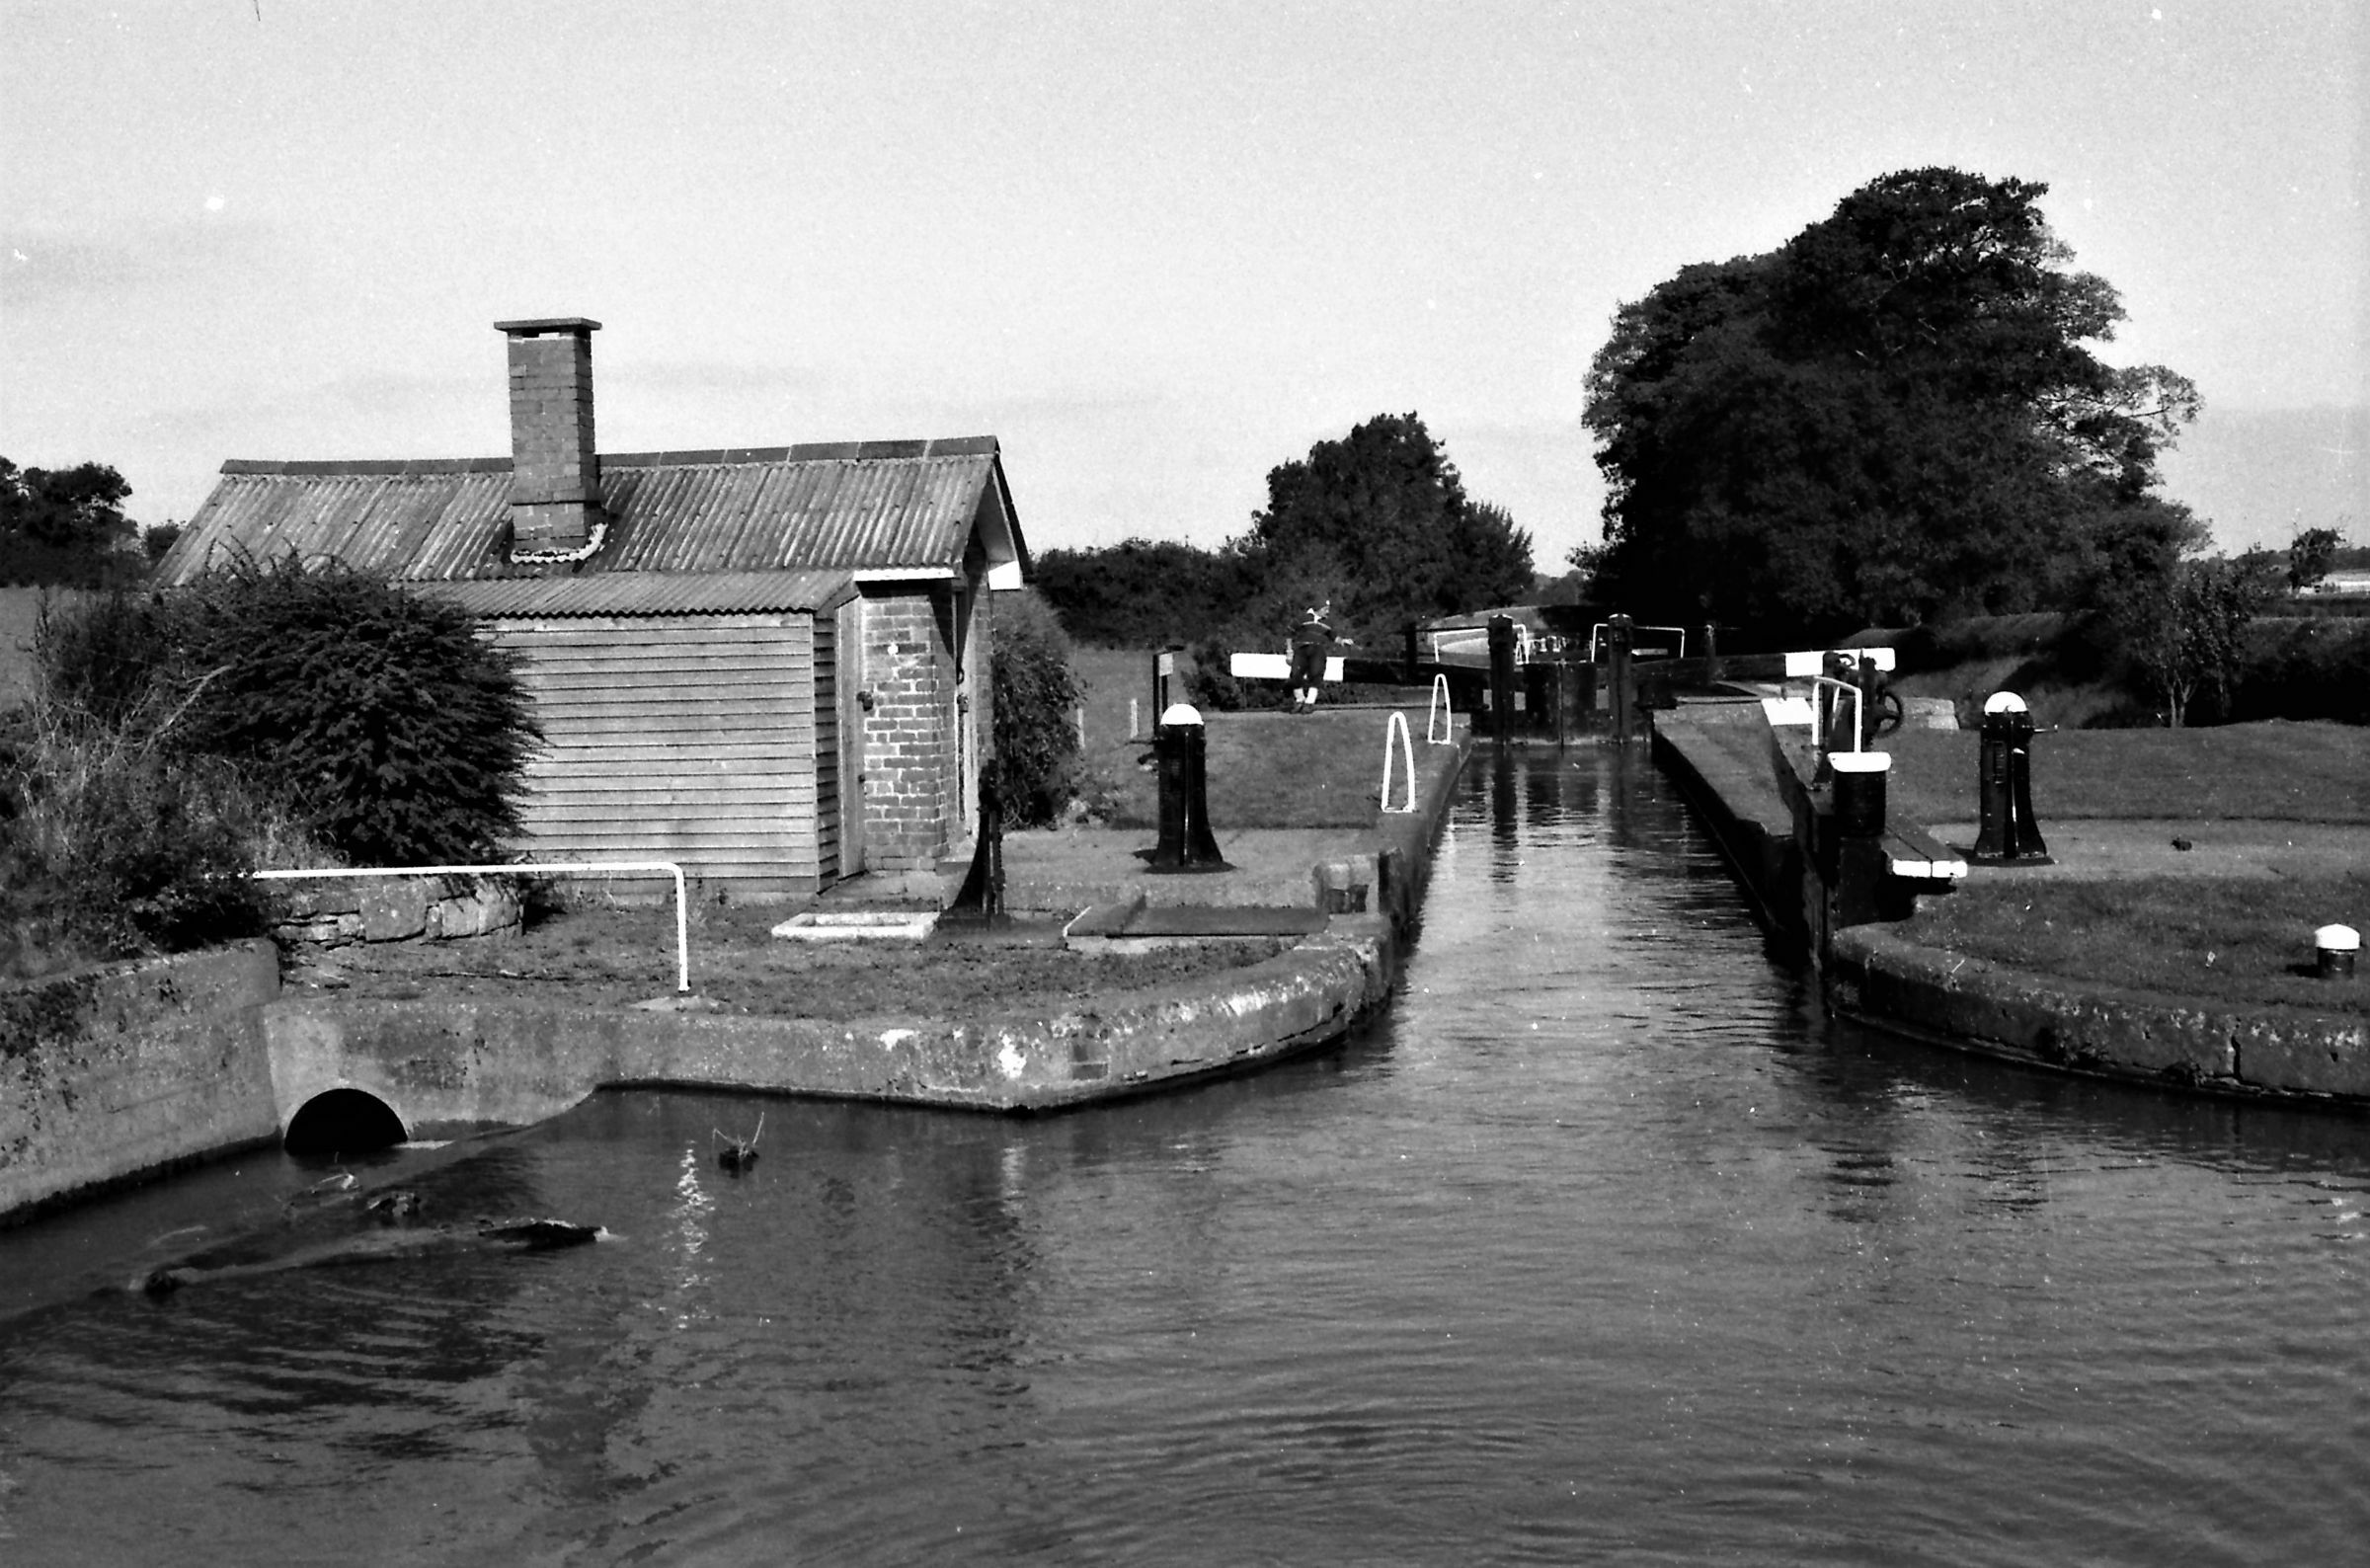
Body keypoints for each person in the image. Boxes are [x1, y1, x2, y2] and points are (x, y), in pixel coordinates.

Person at [1288, 602, 1350, 713]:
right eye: (1325, 609)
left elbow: (1333, 636)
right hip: (1302, 648)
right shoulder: (1302, 618)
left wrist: (1343, 641)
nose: (1327, 612)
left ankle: (1310, 703)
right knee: (1295, 673)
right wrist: (1289, 650)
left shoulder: (1328, 623)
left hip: (1317, 649)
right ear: (1318, 608)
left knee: (1316, 673)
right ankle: (1299, 700)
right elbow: (1289, 633)